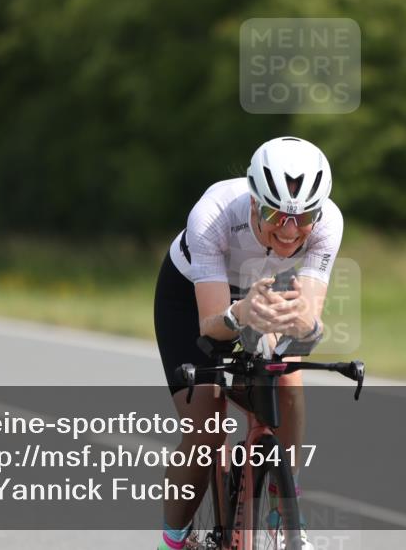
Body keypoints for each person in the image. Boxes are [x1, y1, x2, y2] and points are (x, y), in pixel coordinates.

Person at [153, 136, 343, 550]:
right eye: (276, 213)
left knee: (287, 379)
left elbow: (308, 321)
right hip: (193, 298)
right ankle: (172, 541)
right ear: (255, 202)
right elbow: (210, 325)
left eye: (304, 216)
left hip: (263, 293)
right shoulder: (214, 214)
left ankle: (286, 509)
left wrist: (303, 329)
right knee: (207, 424)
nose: (290, 230)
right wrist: (243, 314)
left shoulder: (328, 223)